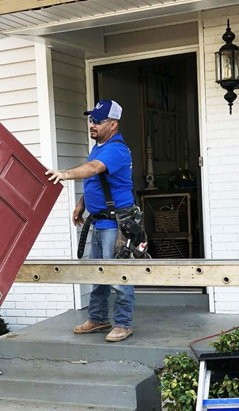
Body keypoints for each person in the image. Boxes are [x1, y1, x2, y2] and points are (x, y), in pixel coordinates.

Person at [45, 99, 136, 342]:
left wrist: (64, 174)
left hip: (116, 224)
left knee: (118, 274)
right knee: (98, 273)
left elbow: (93, 168)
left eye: (98, 120)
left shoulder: (116, 149)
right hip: (99, 221)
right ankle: (98, 318)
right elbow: (96, 181)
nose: (92, 124)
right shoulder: (99, 146)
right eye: (90, 119)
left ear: (113, 124)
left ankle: (124, 323)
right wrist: (81, 205)